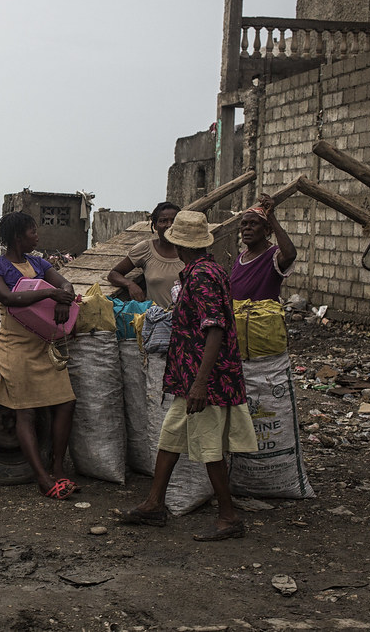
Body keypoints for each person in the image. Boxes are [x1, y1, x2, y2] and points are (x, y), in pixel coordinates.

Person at [122, 210, 259, 540]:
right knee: (170, 437)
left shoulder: (200, 277)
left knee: (209, 448)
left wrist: (200, 382)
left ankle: (229, 517)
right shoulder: (203, 270)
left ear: (177, 242)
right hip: (191, 379)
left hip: (205, 381)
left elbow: (214, 329)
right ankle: (154, 504)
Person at [0, 212, 78, 500]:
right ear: (17, 237)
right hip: (15, 346)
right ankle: (42, 478)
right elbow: (7, 298)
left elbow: (66, 285)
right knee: (24, 411)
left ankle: (58, 468)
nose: (37, 236)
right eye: (32, 232)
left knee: (65, 402)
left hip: (42, 344)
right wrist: (50, 296)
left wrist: (63, 296)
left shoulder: (39, 263)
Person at [108, 202, 183, 308]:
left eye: (174, 221)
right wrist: (130, 285)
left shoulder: (188, 250)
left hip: (186, 321)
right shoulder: (145, 249)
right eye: (163, 221)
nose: (169, 225)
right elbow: (114, 274)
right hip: (157, 319)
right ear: (155, 226)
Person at [231, 193, 297, 302]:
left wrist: (270, 216)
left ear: (266, 230)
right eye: (244, 224)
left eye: (253, 224)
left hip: (262, 318)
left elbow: (290, 255)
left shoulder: (273, 256)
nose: (247, 228)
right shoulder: (241, 257)